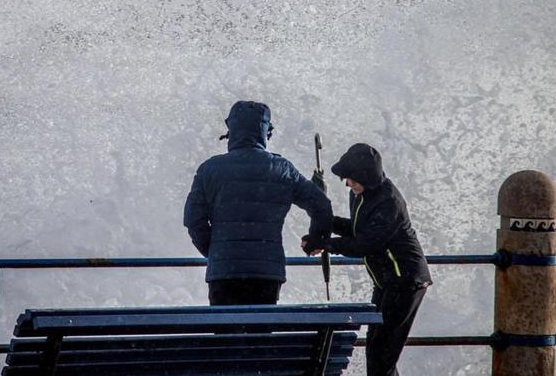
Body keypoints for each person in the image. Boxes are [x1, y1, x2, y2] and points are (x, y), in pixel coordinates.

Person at [184, 100, 332, 305]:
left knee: (226, 334)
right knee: (261, 333)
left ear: (232, 130)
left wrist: (216, 252)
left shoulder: (209, 169)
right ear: (265, 132)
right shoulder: (282, 169)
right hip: (266, 273)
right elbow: (321, 205)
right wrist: (316, 238)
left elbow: (193, 220)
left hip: (224, 274)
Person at [302, 143, 432, 376]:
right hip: (387, 281)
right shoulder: (363, 195)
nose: (347, 184)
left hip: (405, 281)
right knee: (377, 348)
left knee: (382, 352)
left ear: (364, 177)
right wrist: (326, 221)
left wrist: (325, 244)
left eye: (351, 178)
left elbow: (366, 243)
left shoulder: (388, 201)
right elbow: (357, 230)